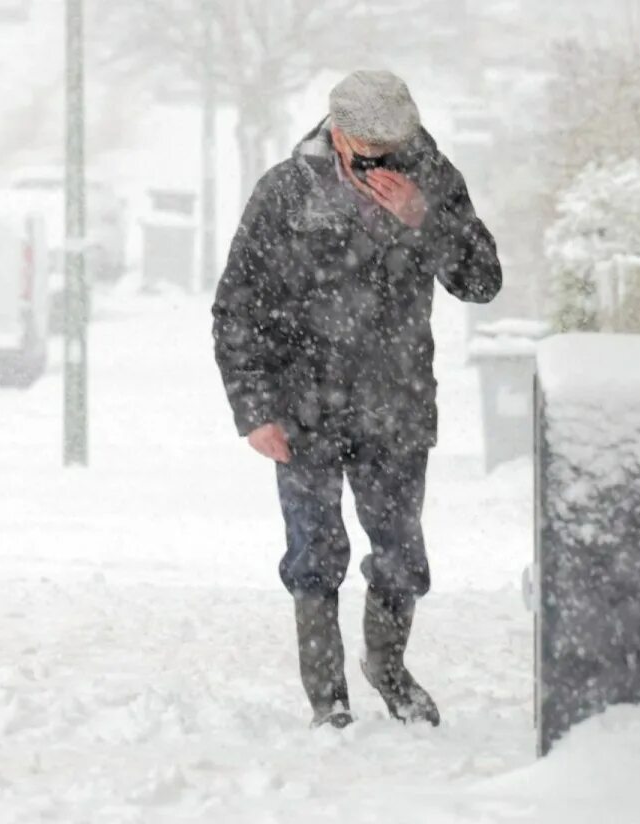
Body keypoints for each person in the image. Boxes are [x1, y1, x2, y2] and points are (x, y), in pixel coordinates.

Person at [211, 70, 502, 729]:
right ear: (337, 133)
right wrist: (254, 410)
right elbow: (236, 308)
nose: (383, 157)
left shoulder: (432, 178)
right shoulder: (285, 192)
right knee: (314, 556)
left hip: (396, 404)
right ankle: (327, 697)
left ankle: (389, 669)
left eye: (394, 142)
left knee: (401, 554)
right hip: (302, 406)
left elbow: (482, 281)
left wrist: (422, 219)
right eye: (369, 144)